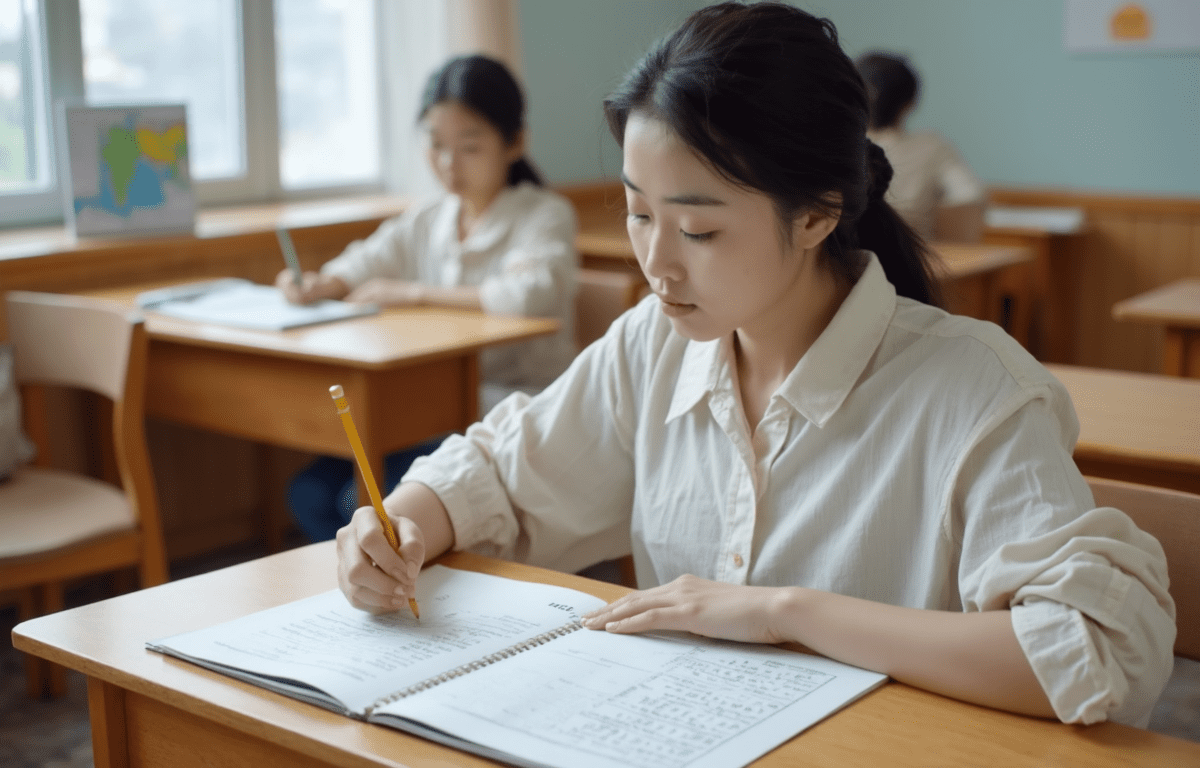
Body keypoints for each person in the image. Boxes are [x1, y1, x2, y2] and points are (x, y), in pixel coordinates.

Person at [335, 2, 1174, 728]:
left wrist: (785, 613)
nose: (656, 265)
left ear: (816, 216)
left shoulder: (974, 390)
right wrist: (402, 522)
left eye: (697, 230)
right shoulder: (655, 342)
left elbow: (1093, 652)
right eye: (635, 213)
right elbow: (501, 471)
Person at [278, 54, 578, 542]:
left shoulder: (544, 215)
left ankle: (397, 583)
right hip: (430, 408)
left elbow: (526, 294)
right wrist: (320, 284)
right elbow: (366, 260)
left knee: (352, 501)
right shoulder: (430, 217)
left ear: (515, 142)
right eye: (436, 146)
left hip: (513, 407)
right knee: (308, 493)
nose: (448, 164)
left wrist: (414, 294)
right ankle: (360, 592)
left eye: (469, 147)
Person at [856, 51, 986, 242]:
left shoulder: (835, 147)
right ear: (910, 103)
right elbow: (970, 196)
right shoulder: (932, 147)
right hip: (914, 261)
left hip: (845, 265)